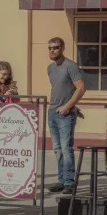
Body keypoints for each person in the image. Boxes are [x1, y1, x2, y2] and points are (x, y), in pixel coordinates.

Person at [46, 37, 85, 195]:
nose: (52, 51)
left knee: (66, 149)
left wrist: (69, 106)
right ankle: (61, 181)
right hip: (52, 112)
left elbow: (81, 88)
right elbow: (62, 89)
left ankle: (69, 182)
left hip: (65, 114)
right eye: (49, 48)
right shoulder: (50, 68)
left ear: (62, 48)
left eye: (55, 47)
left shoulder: (71, 65)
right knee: (57, 149)